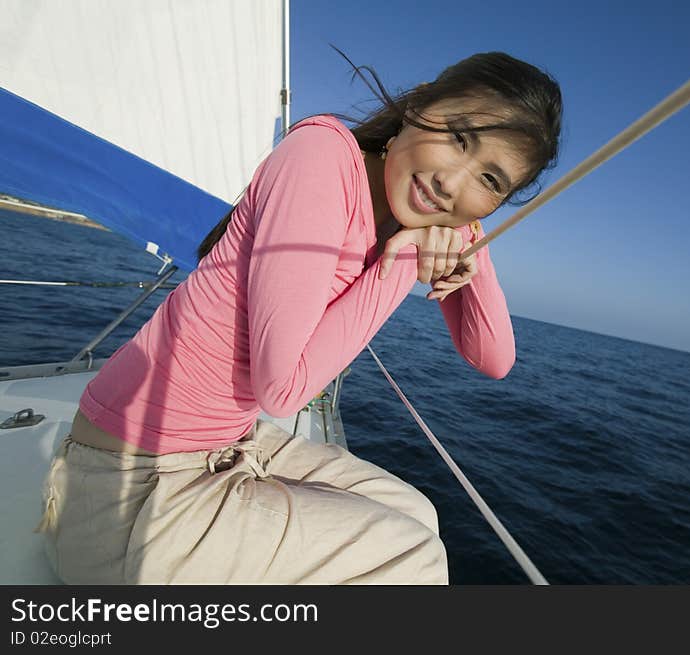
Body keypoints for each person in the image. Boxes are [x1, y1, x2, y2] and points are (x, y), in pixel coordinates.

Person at [36, 51, 562, 584]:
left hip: (223, 450)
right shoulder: (322, 156)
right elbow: (283, 391)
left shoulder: (433, 212)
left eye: (492, 181)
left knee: (421, 515)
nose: (453, 181)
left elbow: (493, 358)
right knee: (412, 558)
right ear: (420, 103)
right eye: (459, 137)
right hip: (124, 495)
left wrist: (471, 237)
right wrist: (405, 256)